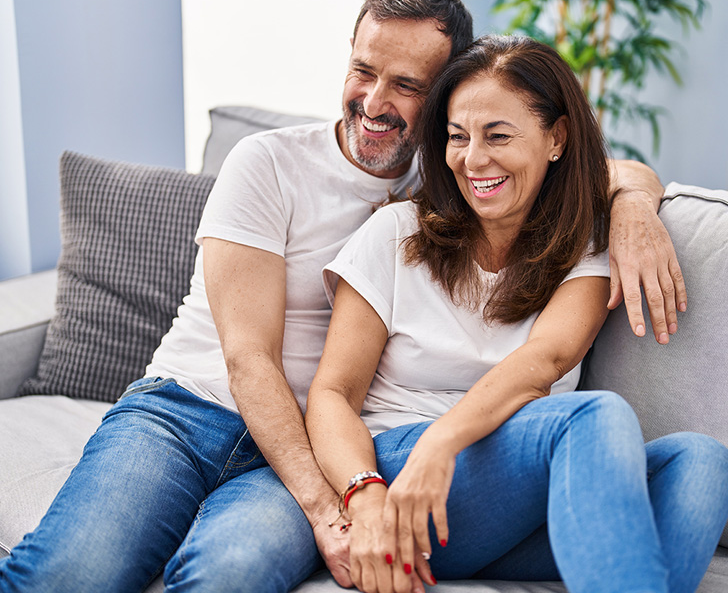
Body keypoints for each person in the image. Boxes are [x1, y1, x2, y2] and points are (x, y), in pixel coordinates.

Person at [0, 0, 688, 592]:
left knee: (232, 571)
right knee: (74, 572)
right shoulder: (270, 163)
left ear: (444, 99)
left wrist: (631, 209)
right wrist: (332, 503)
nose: (374, 102)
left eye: (406, 87)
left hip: (314, 442)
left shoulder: (450, 183)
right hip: (188, 413)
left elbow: (596, 168)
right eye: (363, 69)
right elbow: (250, 360)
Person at [305, 34, 728, 593]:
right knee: (590, 416)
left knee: (701, 464)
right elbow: (331, 394)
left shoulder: (582, 244)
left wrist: (632, 204)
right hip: (406, 472)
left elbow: (546, 357)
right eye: (458, 137)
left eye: (497, 135)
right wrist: (370, 492)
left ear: (556, 138)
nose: (473, 159)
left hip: (508, 501)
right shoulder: (396, 235)